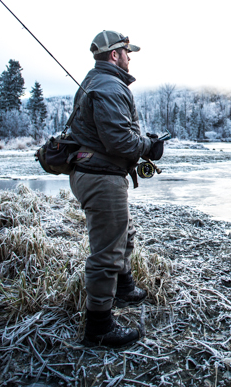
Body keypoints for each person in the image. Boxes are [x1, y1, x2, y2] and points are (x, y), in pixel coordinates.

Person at [68, 30, 164, 347]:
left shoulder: (99, 81)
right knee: (106, 252)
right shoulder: (109, 86)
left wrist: (141, 142)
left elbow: (113, 134)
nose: (129, 57)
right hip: (100, 177)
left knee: (124, 233)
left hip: (98, 173)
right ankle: (99, 327)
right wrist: (148, 146)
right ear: (114, 55)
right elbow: (119, 141)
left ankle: (123, 288)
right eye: (126, 52)